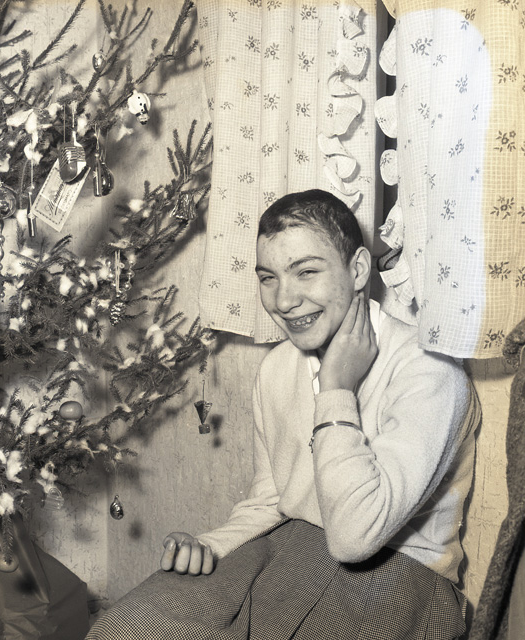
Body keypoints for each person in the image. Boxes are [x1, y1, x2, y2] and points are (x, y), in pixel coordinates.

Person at [85, 189, 480, 640]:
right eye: (267, 278)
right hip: (286, 548)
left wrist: (337, 389)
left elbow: (355, 537)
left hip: (399, 572)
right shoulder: (277, 368)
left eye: (306, 272)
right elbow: (271, 499)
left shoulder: (429, 371)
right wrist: (211, 545)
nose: (284, 300)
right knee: (124, 627)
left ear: (357, 269)